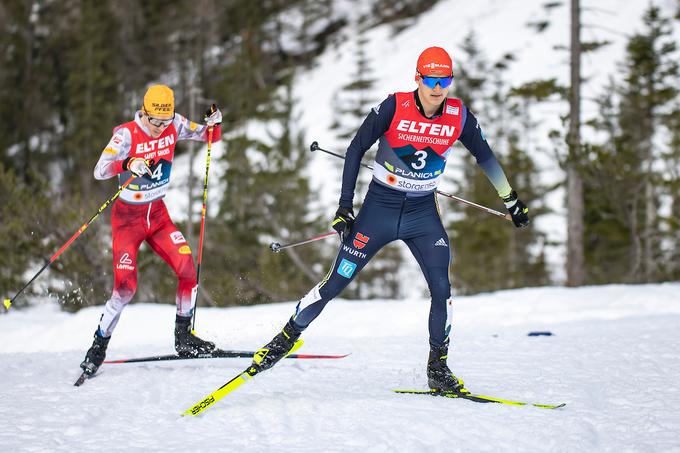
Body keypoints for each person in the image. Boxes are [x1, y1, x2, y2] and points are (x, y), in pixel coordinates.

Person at [248, 46, 530, 392]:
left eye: (444, 80)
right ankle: (283, 340)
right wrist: (344, 207)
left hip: (422, 214)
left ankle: (437, 369)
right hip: (378, 210)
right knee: (336, 282)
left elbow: (485, 156)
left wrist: (510, 200)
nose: (437, 87)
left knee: (442, 287)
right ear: (418, 78)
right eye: (430, 79)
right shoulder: (394, 106)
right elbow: (355, 149)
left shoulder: (459, 116)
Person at [79, 84, 223, 376]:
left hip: (157, 216)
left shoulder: (176, 123)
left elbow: (209, 137)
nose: (160, 128)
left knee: (187, 270)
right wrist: (128, 162)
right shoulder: (126, 134)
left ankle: (183, 337)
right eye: (155, 122)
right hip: (127, 222)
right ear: (144, 113)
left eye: (165, 122)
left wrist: (215, 122)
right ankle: (98, 346)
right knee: (125, 288)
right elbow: (100, 169)